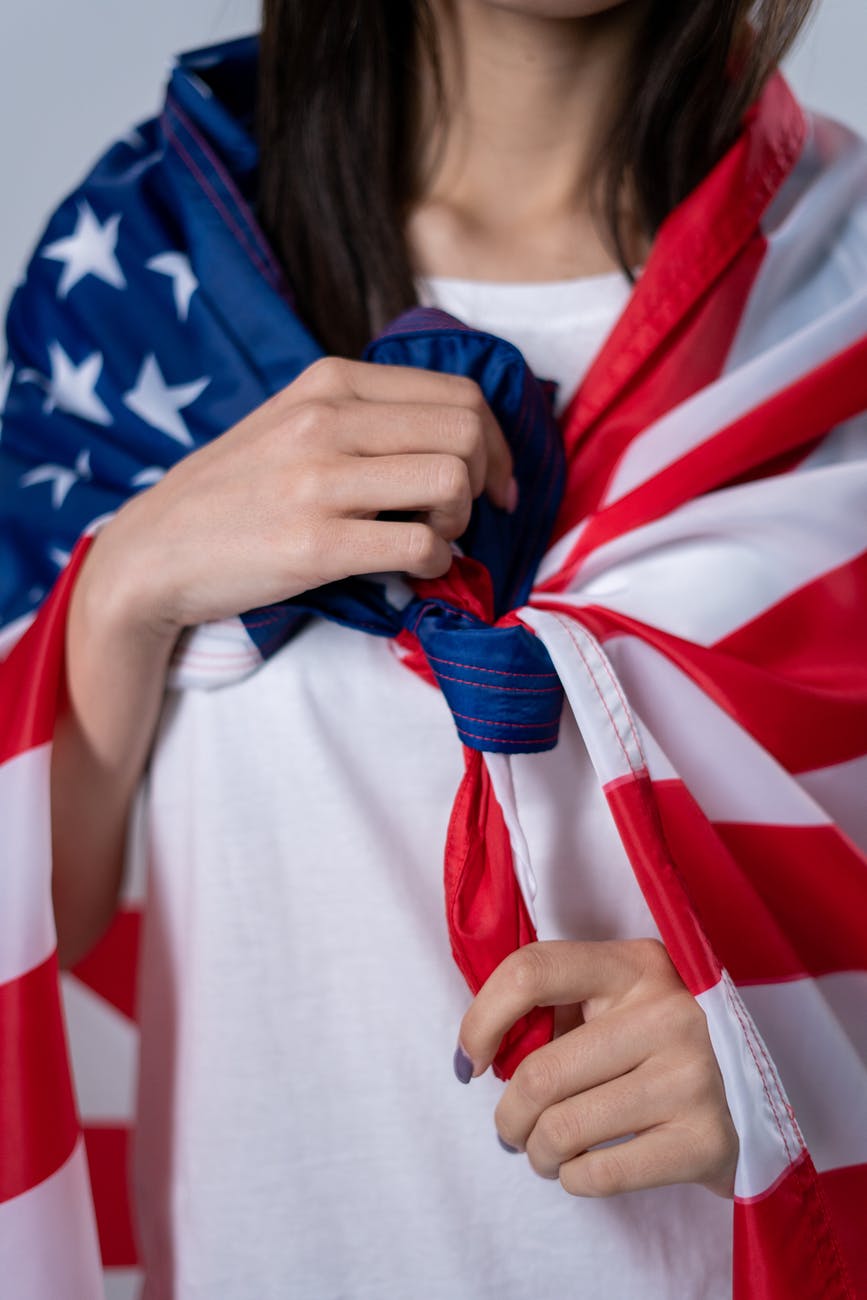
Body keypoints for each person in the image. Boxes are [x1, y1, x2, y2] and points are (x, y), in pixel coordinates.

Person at [1, 2, 866, 1298]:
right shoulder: (145, 277)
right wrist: (128, 582)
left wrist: (794, 1060)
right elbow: (41, 914)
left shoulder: (846, 286)